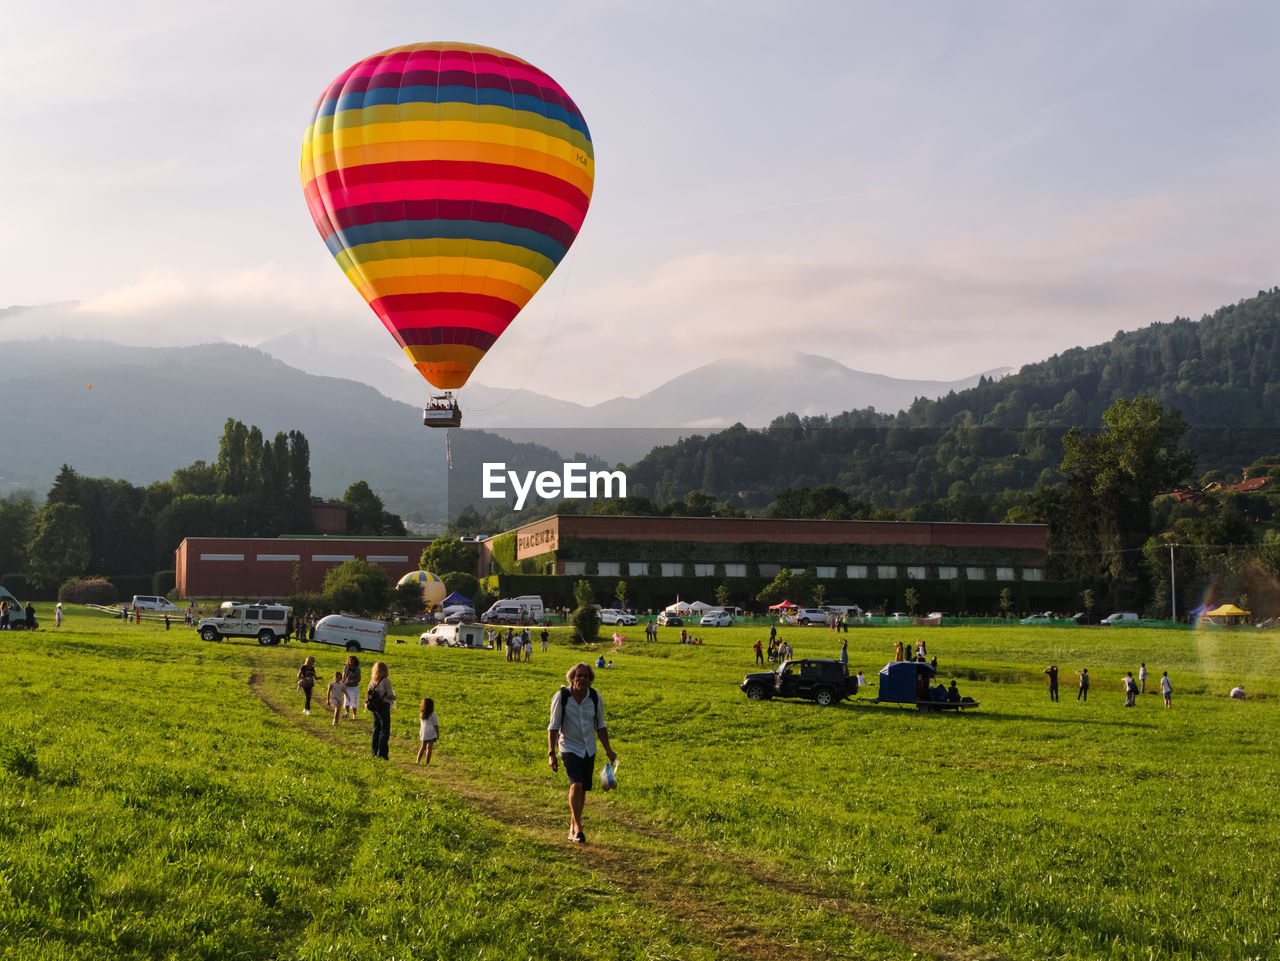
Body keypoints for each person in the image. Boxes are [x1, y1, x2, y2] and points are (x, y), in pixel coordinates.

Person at [548, 663, 617, 844]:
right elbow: (554, 727)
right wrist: (551, 753)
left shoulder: (595, 697)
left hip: (589, 749)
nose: (582, 679)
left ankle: (572, 829)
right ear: (572, 678)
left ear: (590, 679)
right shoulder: (562, 697)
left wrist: (608, 749)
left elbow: (600, 725)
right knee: (576, 785)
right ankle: (578, 827)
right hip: (568, 747)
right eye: (579, 676)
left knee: (583, 789)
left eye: (586, 676)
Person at [366, 661, 396, 759]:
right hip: (383, 705)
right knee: (385, 730)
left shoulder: (373, 681)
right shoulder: (386, 681)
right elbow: (389, 694)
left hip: (375, 706)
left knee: (376, 729)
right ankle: (382, 753)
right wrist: (394, 697)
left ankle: (374, 751)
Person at [417, 697, 441, 764]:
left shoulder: (422, 714)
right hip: (431, 733)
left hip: (423, 733)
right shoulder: (433, 714)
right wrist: (437, 733)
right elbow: (436, 725)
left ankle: (418, 760)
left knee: (422, 747)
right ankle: (427, 762)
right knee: (429, 748)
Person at [342, 655, 361, 720]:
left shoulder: (357, 669)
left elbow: (359, 679)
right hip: (347, 687)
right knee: (347, 700)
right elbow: (343, 677)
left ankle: (354, 715)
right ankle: (347, 713)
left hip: (354, 687)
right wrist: (345, 681)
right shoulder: (346, 668)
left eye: (352, 660)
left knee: (354, 700)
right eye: (349, 660)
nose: (350, 661)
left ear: (355, 661)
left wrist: (352, 681)